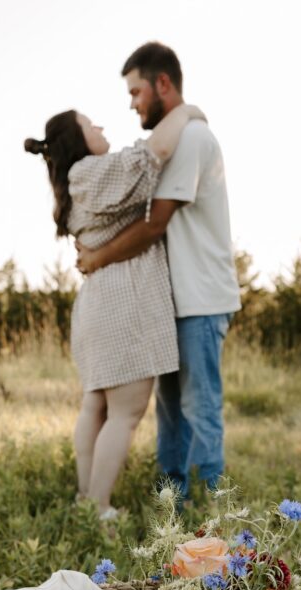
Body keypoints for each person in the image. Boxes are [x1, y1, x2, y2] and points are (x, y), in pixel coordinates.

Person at [25, 99, 205, 518]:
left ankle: (86, 499)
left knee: (97, 406)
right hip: (122, 304)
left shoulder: (74, 182)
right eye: (91, 125)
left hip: (98, 304)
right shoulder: (88, 171)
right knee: (125, 412)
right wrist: (186, 112)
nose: (101, 127)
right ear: (76, 140)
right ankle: (100, 506)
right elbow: (153, 153)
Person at [77, 43, 241, 499]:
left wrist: (96, 258)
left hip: (201, 300)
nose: (132, 104)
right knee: (170, 413)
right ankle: (174, 505)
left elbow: (154, 223)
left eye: (136, 92)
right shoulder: (175, 137)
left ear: (162, 83)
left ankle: (211, 508)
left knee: (199, 409)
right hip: (170, 302)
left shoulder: (192, 139)